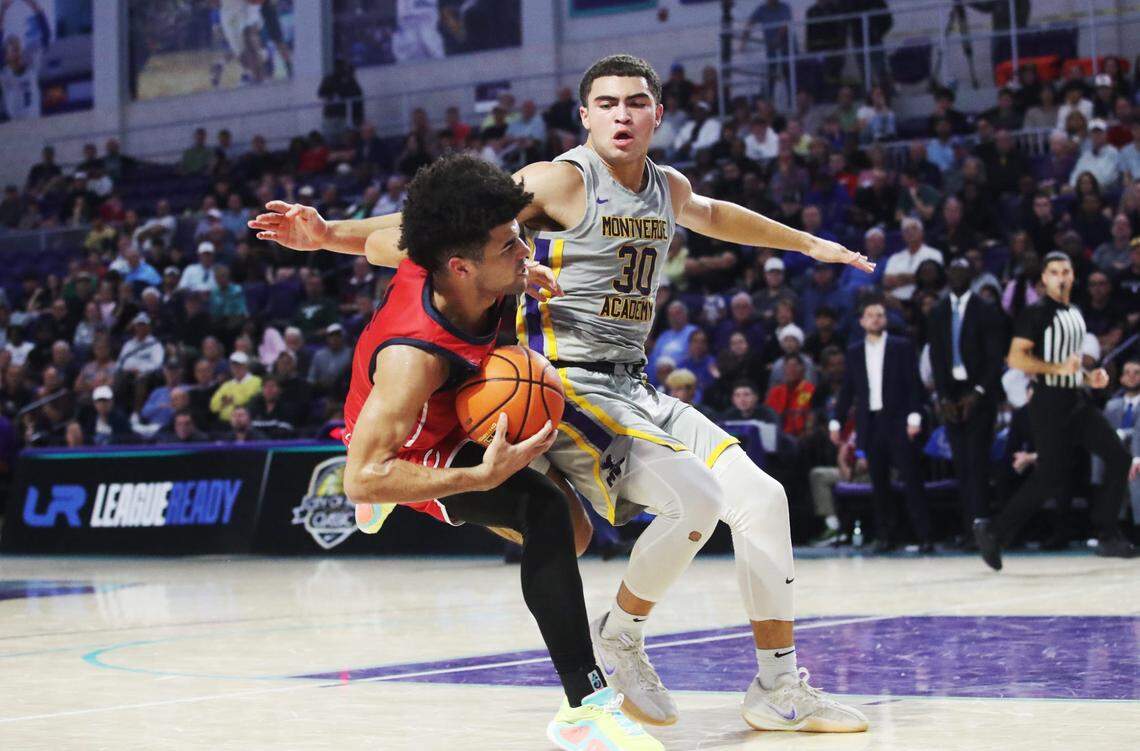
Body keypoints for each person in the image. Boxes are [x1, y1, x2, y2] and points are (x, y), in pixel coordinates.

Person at [251, 54, 871, 734]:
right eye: (605, 103)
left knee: (765, 498)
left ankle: (777, 684)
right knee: (693, 499)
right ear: (585, 117)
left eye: (636, 102)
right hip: (563, 380)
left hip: (634, 382)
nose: (622, 114)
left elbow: (716, 214)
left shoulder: (669, 187)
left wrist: (810, 243)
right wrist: (327, 235)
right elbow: (447, 226)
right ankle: (618, 637)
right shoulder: (561, 179)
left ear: (658, 114)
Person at [332, 154, 658, 749]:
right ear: (459, 268)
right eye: (511, 247)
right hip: (415, 443)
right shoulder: (413, 358)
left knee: (577, 537)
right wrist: (477, 479)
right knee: (546, 515)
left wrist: (320, 233)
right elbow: (360, 477)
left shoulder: (446, 255)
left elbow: (378, 239)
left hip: (464, 397)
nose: (525, 253)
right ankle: (585, 707)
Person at [974, 253, 1136, 569]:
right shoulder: (1035, 314)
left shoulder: (1074, 313)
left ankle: (1107, 534)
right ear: (1044, 279)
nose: (1060, 277)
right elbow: (1017, 359)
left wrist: (1092, 377)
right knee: (1049, 478)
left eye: (1065, 271)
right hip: (1048, 403)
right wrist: (1056, 367)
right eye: (1053, 272)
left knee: (1119, 457)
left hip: (1076, 399)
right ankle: (993, 531)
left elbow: (1072, 362)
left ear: (1073, 276)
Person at [831, 300, 930, 553]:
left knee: (911, 479)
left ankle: (924, 536)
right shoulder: (854, 351)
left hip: (898, 420)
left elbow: (913, 385)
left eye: (880, 315)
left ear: (885, 320)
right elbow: (848, 391)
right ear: (862, 321)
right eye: (870, 315)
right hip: (871, 423)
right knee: (879, 482)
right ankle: (886, 536)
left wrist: (914, 417)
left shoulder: (902, 347)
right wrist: (836, 421)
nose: (876, 319)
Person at [926, 259, 1008, 542]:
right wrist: (944, 397)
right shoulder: (937, 311)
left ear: (971, 275)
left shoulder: (986, 310)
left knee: (977, 464)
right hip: (951, 395)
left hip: (979, 395)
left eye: (963, 270)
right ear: (947, 275)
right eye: (953, 270)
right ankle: (967, 529)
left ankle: (983, 529)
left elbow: (994, 358)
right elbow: (936, 357)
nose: (957, 275)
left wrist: (978, 394)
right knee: (961, 465)